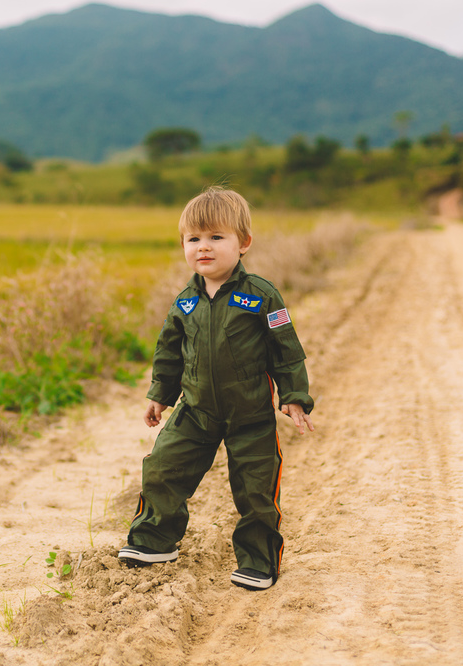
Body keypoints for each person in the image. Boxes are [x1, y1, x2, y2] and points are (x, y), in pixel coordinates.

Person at [117, 186, 315, 591]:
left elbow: (287, 351)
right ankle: (155, 540)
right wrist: (160, 394)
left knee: (256, 491)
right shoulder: (185, 301)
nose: (203, 248)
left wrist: (294, 396)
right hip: (196, 410)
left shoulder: (261, 296)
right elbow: (169, 352)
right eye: (194, 239)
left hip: (250, 415)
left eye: (216, 238)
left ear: (243, 243)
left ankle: (258, 561)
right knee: (161, 468)